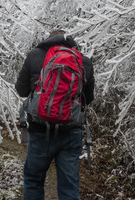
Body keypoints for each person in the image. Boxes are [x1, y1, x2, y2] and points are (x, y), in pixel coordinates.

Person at [16, 30, 95, 200]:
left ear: (48, 39)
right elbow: (87, 99)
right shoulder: (84, 61)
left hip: (40, 130)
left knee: (33, 180)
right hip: (70, 132)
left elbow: (21, 90)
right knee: (69, 185)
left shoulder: (35, 56)